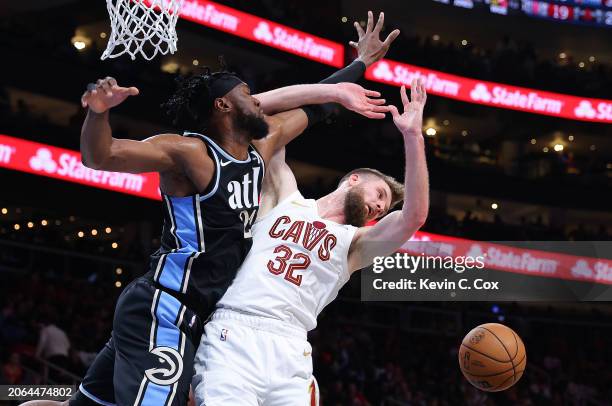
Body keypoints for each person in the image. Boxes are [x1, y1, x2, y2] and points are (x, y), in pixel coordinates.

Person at [21, 10, 399, 406]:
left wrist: (358, 68)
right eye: (245, 94)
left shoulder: (260, 149)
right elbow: (101, 156)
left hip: (198, 315)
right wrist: (98, 113)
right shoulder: (189, 153)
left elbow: (313, 107)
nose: (256, 98)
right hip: (166, 305)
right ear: (223, 105)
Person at [192, 78, 429, 405]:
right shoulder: (283, 196)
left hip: (291, 348)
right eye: (380, 194)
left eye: (383, 208)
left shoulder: (355, 244)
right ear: (353, 179)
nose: (378, 206)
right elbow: (256, 114)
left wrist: (413, 136)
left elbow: (413, 217)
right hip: (235, 332)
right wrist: (333, 91)